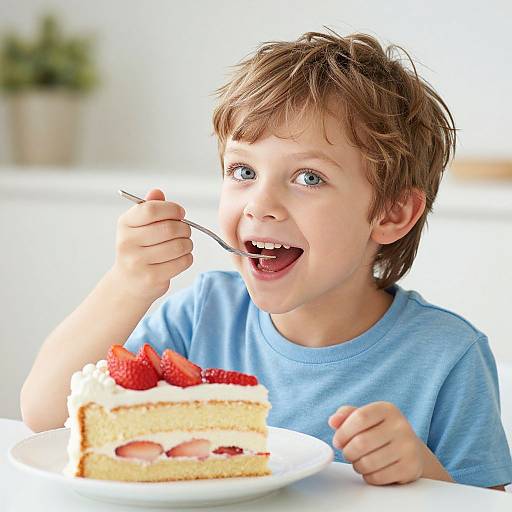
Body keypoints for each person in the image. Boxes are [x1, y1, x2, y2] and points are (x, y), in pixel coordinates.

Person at [20, 29, 512, 490]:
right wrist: (128, 283)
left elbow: (487, 499)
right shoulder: (203, 315)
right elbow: (45, 415)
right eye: (242, 169)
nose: (260, 203)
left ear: (390, 212)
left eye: (308, 178)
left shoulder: (448, 356)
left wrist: (422, 472)